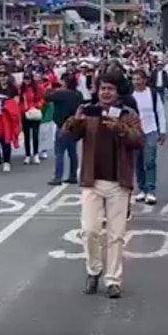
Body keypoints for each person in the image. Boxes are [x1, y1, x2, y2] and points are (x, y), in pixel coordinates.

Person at [61, 75, 144, 299]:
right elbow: (67, 136)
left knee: (116, 235)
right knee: (90, 230)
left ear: (118, 92)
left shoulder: (128, 114)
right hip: (92, 180)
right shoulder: (88, 111)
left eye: (110, 89)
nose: (106, 92)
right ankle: (93, 270)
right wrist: (75, 121)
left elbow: (139, 140)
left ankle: (113, 280)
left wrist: (120, 128)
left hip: (119, 182)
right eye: (103, 88)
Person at [131, 69, 167, 205]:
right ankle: (142, 189)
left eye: (139, 79)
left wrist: (162, 131)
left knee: (149, 161)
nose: (136, 82)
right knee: (138, 161)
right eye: (134, 79)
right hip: (135, 132)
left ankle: (151, 190)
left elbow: (160, 112)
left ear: (145, 80)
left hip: (151, 131)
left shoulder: (152, 94)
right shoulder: (131, 95)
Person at [45, 72, 84, 185]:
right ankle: (73, 175)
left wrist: (50, 88)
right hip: (74, 125)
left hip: (62, 125)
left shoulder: (61, 93)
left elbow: (47, 97)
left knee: (59, 153)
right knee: (72, 153)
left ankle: (58, 177)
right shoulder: (78, 94)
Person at [19, 72, 45, 164]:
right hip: (25, 114)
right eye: (25, 78)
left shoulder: (37, 88)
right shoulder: (21, 89)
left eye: (28, 78)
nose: (27, 80)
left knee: (35, 135)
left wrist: (37, 106)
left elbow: (42, 99)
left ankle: (36, 154)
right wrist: (23, 109)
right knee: (26, 136)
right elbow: (19, 101)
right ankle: (27, 155)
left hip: (34, 113)